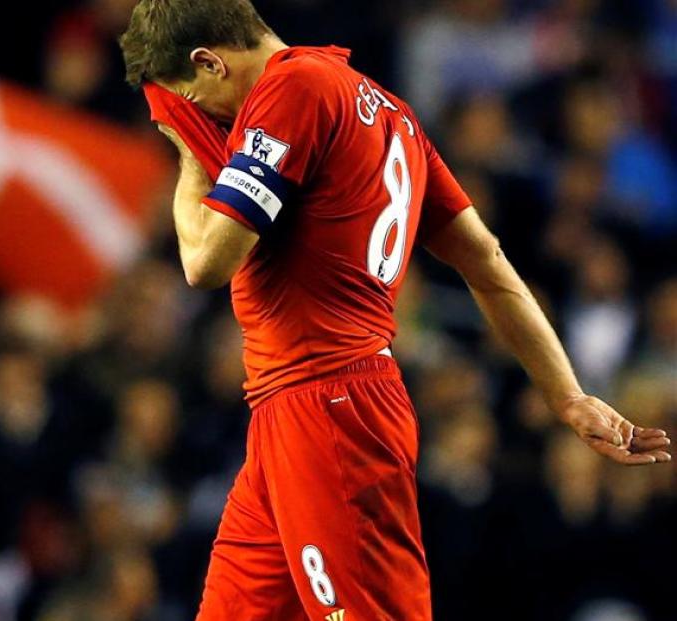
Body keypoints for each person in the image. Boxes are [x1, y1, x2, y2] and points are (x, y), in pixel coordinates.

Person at [118, 1, 672, 620]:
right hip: (296, 411)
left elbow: (205, 263)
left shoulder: (290, 88)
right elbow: (487, 263)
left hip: (329, 406)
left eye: (192, 100)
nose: (205, 118)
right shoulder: (391, 115)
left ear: (209, 62)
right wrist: (567, 395)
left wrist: (190, 152)